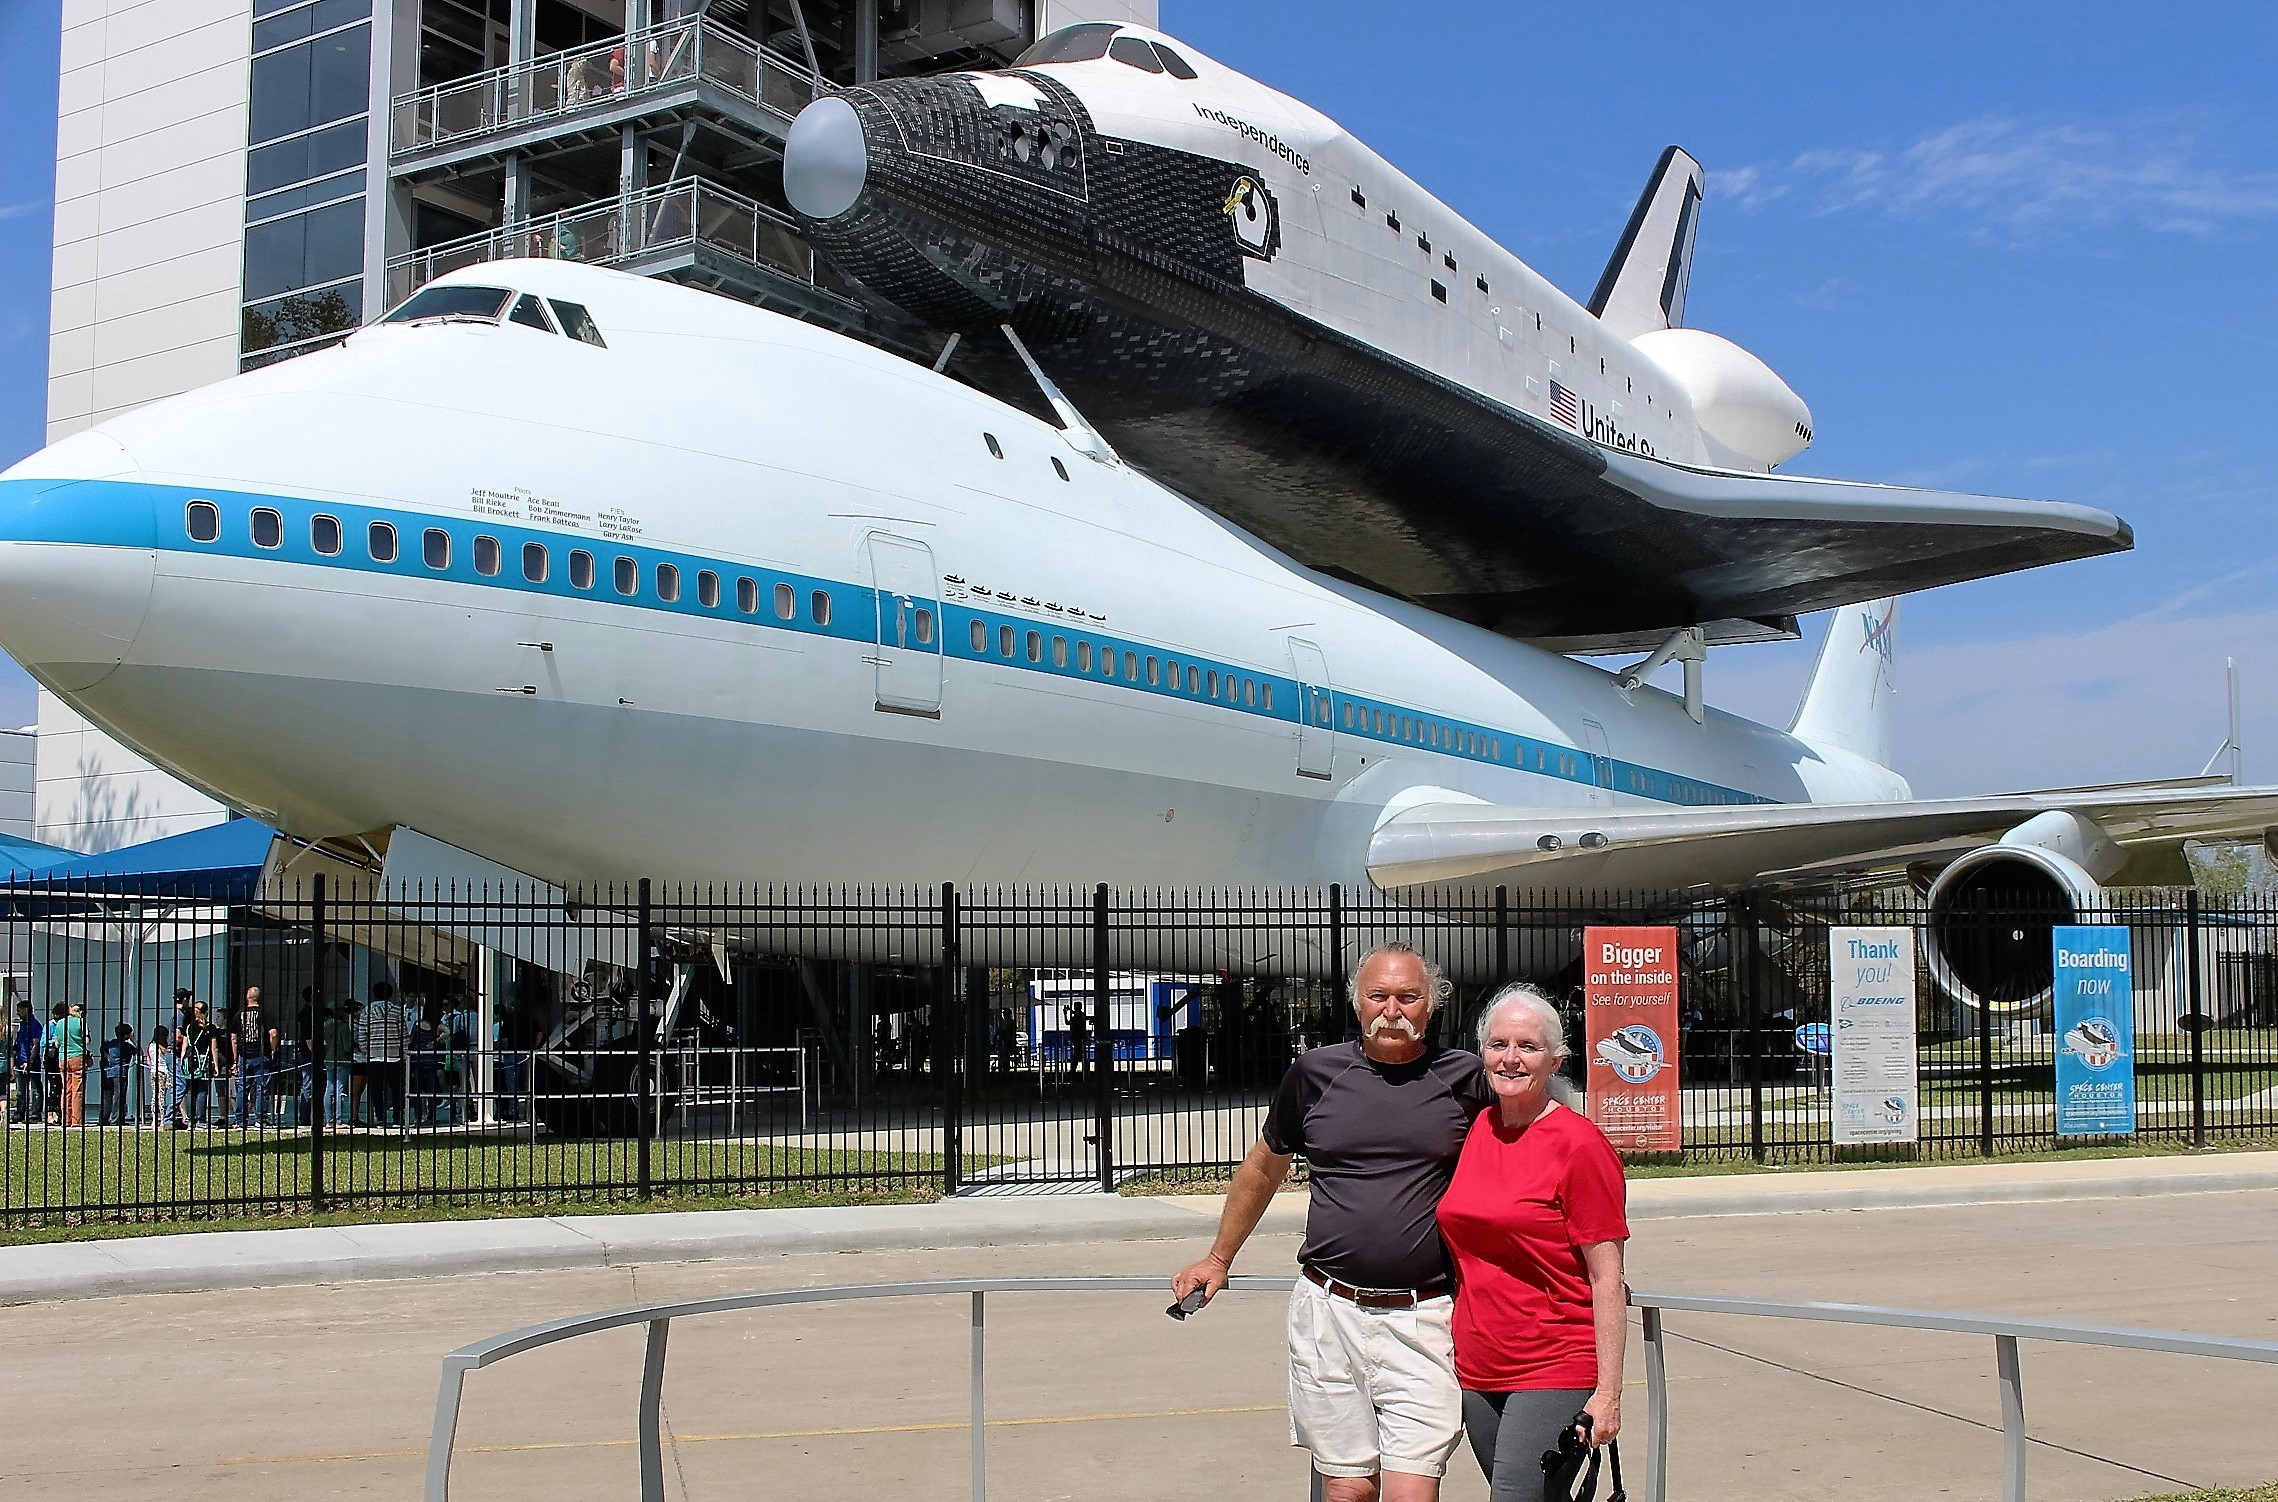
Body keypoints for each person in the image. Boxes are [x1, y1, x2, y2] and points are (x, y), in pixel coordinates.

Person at [1172, 943, 1493, 1502]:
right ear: (1356, 1003)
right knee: (1346, 1491)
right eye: (1378, 996)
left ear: (1432, 1006)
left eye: (1408, 996)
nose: (1392, 1009)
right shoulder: (1315, 1074)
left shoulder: (1466, 1078)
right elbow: (1262, 1167)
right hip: (1328, 1313)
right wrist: (1218, 1258)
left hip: (1425, 1319)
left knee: (1410, 1493)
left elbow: (1526, 1156)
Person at [1437, 985, 1629, 1500]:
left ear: (1555, 1059)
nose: (1511, 1058)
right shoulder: (1478, 1127)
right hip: (1478, 1367)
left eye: (1527, 1046)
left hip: (1555, 1362)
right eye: (1498, 1044)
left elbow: (1607, 1276)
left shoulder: (1580, 1146)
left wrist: (1608, 1393)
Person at [361, 983, 407, 1127]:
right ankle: (397, 1118)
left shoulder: (367, 1011)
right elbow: (403, 1035)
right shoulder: (397, 1010)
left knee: (376, 1089)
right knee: (397, 1089)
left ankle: (380, 1117)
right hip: (394, 1055)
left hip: (374, 1055)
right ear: (391, 994)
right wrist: (404, 1052)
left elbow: (362, 1035)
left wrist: (366, 1050)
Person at [232, 985, 277, 1129]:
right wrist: (273, 1050)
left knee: (242, 1089)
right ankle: (261, 1119)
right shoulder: (265, 1013)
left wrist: (235, 1057)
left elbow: (233, 1038)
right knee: (262, 1088)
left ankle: (240, 1120)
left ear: (247, 998)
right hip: (261, 1054)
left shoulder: (239, 1014)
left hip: (244, 1055)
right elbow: (273, 1034)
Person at [181, 1000, 223, 1126]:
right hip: (203, 1060)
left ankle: (190, 1119)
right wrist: (215, 1064)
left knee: (190, 1090)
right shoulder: (209, 1028)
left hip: (189, 1060)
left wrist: (183, 1060)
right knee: (202, 1089)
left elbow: (185, 1044)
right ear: (206, 1012)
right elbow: (214, 1047)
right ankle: (201, 1119)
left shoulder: (189, 1026)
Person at [55, 1001, 90, 1127]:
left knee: (66, 1089)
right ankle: (76, 1121)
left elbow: (56, 1044)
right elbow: (86, 1041)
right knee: (77, 1090)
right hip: (77, 1056)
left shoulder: (60, 1023)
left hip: (63, 1058)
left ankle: (65, 1120)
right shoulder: (81, 1022)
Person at [325, 1000, 360, 1125]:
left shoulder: (326, 1024)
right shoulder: (343, 1026)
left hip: (329, 1058)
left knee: (329, 1088)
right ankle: (338, 1120)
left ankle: (329, 1120)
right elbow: (347, 1046)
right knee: (339, 1089)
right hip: (342, 1059)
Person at [9, 999, 42, 1124]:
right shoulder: (22, 1025)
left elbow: (36, 1045)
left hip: (31, 1063)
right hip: (19, 1062)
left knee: (35, 1089)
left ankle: (35, 1114)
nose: (17, 1013)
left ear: (26, 1010)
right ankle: (19, 1114)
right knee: (20, 1091)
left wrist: (30, 1060)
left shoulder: (35, 1025)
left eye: (19, 1010)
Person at [100, 1022, 138, 1126]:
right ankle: (115, 1119)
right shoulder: (126, 1046)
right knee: (119, 1097)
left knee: (107, 1097)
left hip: (107, 1072)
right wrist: (133, 1039)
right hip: (120, 1073)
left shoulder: (109, 1044)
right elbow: (139, 1052)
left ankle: (104, 1118)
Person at [145, 1025, 177, 1127]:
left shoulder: (150, 1046)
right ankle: (163, 1118)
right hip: (164, 1071)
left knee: (155, 1095)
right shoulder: (164, 1047)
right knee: (164, 1095)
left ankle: (154, 1118)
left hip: (154, 1071)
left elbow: (149, 1061)